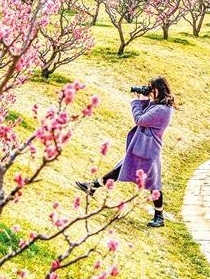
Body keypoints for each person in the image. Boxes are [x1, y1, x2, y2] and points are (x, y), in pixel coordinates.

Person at [75, 77, 175, 228]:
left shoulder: (162, 109)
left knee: (153, 184)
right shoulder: (159, 105)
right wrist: (143, 99)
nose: (150, 91)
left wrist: (137, 102)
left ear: (159, 89)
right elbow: (146, 114)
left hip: (148, 150)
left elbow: (140, 119)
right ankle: (93, 187)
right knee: (119, 169)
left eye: (152, 88)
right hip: (141, 147)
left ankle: (159, 217)